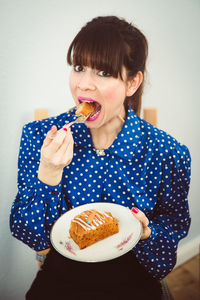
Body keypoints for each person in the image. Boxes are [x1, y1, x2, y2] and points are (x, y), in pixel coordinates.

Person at [10, 16, 191, 299]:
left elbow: (166, 252)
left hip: (135, 277)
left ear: (132, 82)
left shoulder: (167, 153)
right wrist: (48, 173)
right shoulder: (39, 136)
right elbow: (30, 235)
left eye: (103, 73)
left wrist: (147, 234)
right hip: (60, 278)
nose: (84, 85)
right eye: (79, 68)